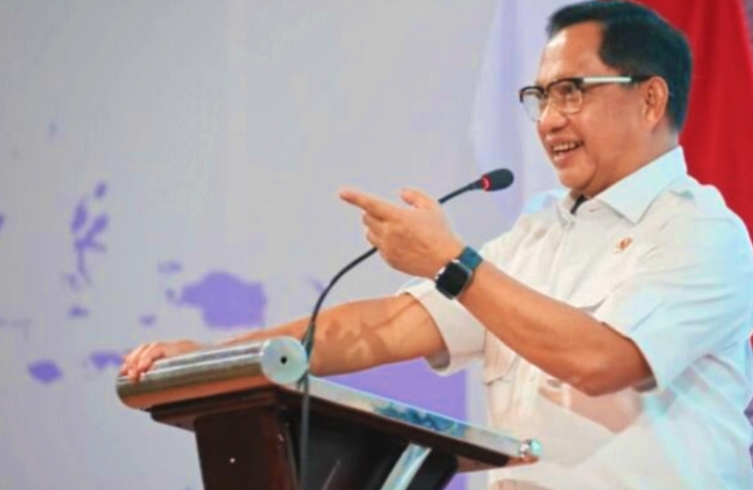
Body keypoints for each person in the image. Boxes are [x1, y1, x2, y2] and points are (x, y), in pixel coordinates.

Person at [120, 1, 753, 489]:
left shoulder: (702, 233)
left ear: (650, 99)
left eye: (572, 91)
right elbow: (387, 325)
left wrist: (454, 263)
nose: (549, 119)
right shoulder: (537, 233)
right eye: (540, 96)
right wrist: (223, 358)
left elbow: (603, 362)